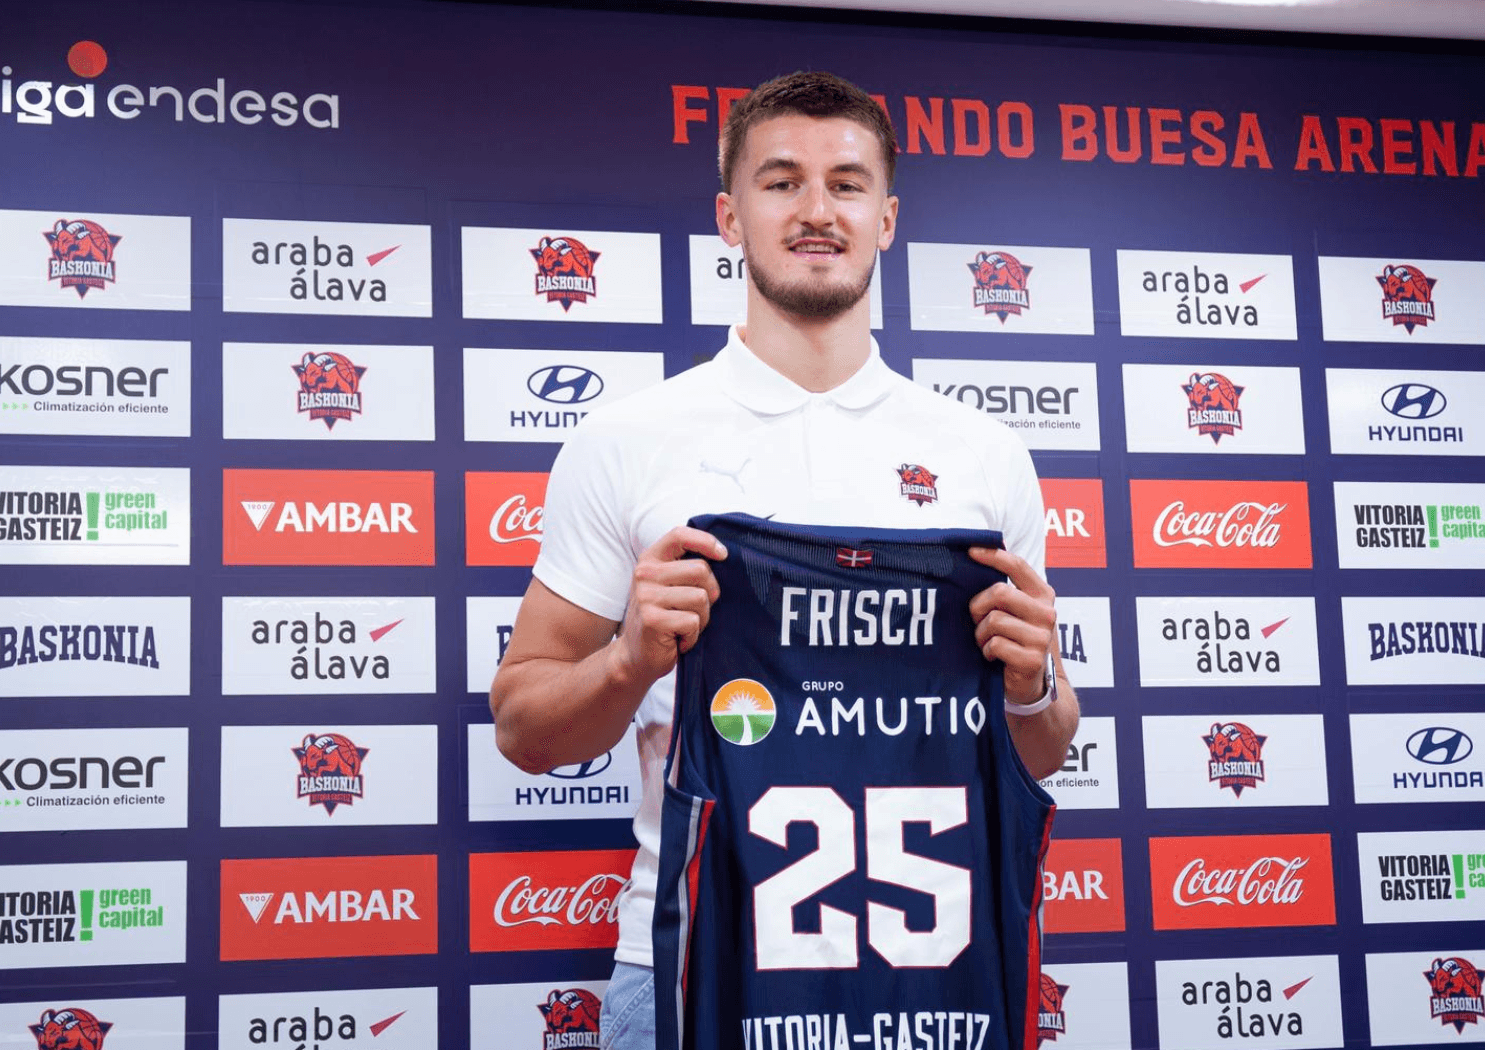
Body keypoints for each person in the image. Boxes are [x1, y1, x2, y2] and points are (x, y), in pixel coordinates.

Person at [490, 70, 1080, 1050]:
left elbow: (1041, 747)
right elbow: (524, 728)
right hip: (689, 956)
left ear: (887, 219)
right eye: (781, 182)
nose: (818, 211)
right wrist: (629, 661)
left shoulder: (984, 453)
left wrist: (1034, 682)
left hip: (933, 972)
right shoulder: (629, 438)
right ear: (730, 216)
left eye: (847, 185)